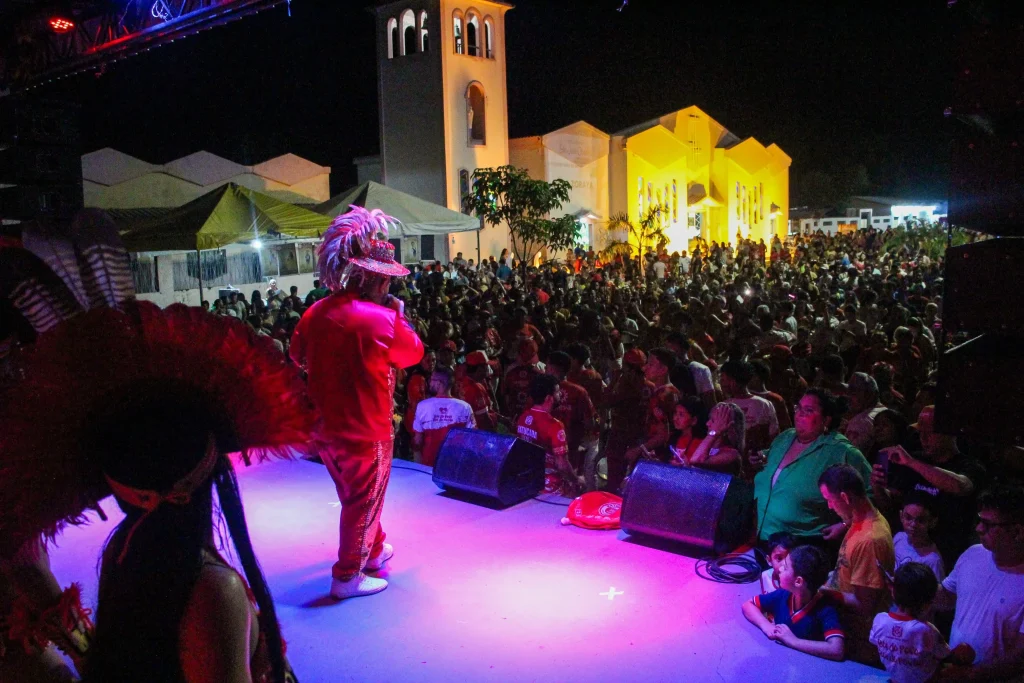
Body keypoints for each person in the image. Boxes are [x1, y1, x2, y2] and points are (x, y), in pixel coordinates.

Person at [290, 207, 424, 600]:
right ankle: (347, 575)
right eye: (386, 281)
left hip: (324, 432)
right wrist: (399, 318)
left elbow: (297, 356)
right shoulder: (382, 319)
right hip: (367, 430)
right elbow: (412, 354)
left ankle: (375, 549)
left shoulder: (316, 312)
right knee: (362, 500)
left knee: (357, 495)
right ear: (377, 280)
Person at [751, 389, 873, 545]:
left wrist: (845, 524)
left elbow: (870, 494)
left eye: (808, 410)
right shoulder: (786, 437)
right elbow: (771, 461)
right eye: (799, 408)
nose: (800, 414)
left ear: (826, 420)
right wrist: (761, 458)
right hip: (762, 536)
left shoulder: (840, 451)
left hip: (802, 546)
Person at [871, 405, 986, 565]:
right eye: (920, 432)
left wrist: (912, 462)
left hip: (947, 558)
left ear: (950, 432)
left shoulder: (970, 466)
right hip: (908, 553)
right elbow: (890, 506)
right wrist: (878, 488)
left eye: (930, 432)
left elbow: (961, 486)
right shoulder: (915, 461)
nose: (923, 438)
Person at [933, 486, 1024, 680]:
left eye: (987, 524)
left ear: (1017, 531)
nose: (978, 528)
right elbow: (947, 598)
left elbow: (1020, 656)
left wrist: (970, 675)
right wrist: (913, 590)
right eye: (979, 520)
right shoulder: (973, 554)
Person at [819, 464, 895, 665]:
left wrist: (821, 591)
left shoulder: (870, 540)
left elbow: (865, 605)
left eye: (830, 500)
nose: (829, 507)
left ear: (844, 498)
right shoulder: (862, 518)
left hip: (859, 642)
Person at [870, 563, 974, 683]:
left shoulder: (879, 620)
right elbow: (944, 655)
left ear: (893, 592)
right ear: (927, 603)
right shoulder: (926, 630)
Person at [742, 545, 845, 662]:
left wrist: (794, 641)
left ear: (798, 581)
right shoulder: (783, 595)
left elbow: (837, 650)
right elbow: (748, 605)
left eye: (785, 567)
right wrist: (766, 626)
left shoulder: (825, 608)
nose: (780, 569)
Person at [516, 374, 581, 497]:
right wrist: (576, 480)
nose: (560, 395)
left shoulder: (523, 417)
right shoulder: (555, 426)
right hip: (550, 487)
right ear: (548, 398)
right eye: (557, 392)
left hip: (527, 482)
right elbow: (562, 464)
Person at [412, 367, 475, 467]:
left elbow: (417, 441)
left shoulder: (423, 406)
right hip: (455, 464)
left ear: (439, 383)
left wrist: (418, 467)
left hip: (429, 465)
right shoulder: (465, 407)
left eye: (432, 379)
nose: (429, 382)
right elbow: (472, 440)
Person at [719, 360, 779, 457]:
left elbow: (773, 436)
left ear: (733, 381)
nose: (721, 384)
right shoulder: (723, 406)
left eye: (723, 379)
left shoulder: (764, 404)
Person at [893, 494, 945, 582]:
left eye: (920, 520)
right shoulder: (900, 537)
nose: (913, 525)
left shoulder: (932, 561)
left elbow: (935, 593)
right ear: (901, 516)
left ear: (932, 522)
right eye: (908, 518)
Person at [685, 402, 745, 475]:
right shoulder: (710, 448)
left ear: (727, 425)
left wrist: (715, 431)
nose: (707, 423)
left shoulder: (731, 454)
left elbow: (696, 460)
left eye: (713, 421)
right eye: (709, 419)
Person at [842, 372, 887, 455]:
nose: (848, 396)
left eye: (853, 391)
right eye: (848, 390)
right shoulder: (886, 412)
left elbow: (846, 456)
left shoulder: (861, 421)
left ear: (869, 395)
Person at [667, 395, 709, 465]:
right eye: (675, 413)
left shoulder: (702, 443)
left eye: (681, 415)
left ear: (694, 420)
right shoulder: (674, 438)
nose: (675, 418)